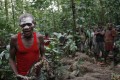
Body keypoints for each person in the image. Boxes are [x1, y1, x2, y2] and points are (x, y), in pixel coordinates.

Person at [9, 13, 45, 80]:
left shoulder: (39, 37)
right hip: (21, 76)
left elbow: (43, 55)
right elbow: (11, 59)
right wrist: (17, 74)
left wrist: (42, 62)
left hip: (37, 75)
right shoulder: (14, 39)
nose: (26, 27)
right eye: (23, 25)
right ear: (20, 26)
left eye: (29, 24)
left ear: (34, 24)